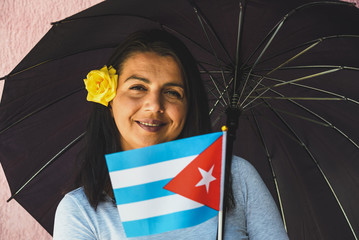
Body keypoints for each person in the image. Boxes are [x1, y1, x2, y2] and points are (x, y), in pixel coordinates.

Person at [53, 29, 289, 240]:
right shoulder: (79, 211)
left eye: (172, 92)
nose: (154, 105)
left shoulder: (235, 177)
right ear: (109, 99)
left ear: (189, 106)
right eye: (138, 87)